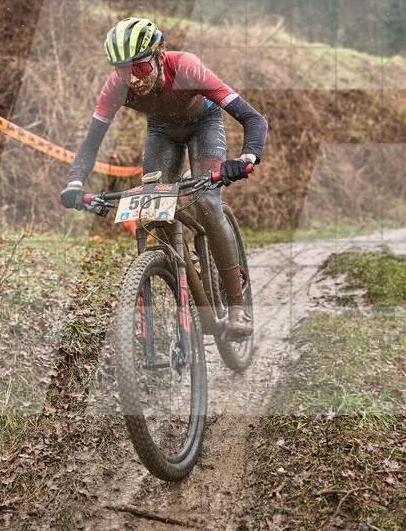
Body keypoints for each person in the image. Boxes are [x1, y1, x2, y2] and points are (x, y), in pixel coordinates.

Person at [59, 17, 268, 337]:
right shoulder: (116, 87)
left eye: (140, 68)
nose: (133, 80)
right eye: (123, 71)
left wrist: (245, 158)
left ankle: (238, 306)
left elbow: (253, 118)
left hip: (203, 125)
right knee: (152, 210)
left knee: (208, 204)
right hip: (161, 133)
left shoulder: (187, 68)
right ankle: (172, 285)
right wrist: (75, 182)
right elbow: (91, 144)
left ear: (160, 56)